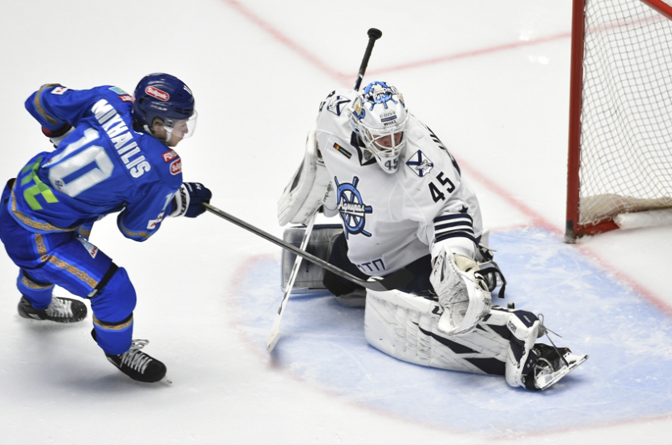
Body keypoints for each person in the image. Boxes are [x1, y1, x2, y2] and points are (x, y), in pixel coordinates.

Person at [278, 81, 586, 391]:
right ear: (359, 127)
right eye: (381, 138)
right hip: (373, 242)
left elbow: (452, 212)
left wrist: (456, 261)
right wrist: (321, 183)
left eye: (397, 134)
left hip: (417, 251)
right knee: (338, 284)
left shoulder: (421, 166)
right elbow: (322, 139)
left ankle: (520, 339)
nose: (392, 145)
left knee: (430, 305)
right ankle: (374, 278)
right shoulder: (335, 115)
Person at [0, 74, 212, 383]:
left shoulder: (109, 98)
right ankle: (118, 350)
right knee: (115, 290)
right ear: (155, 122)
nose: (183, 130)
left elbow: (39, 100)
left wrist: (60, 136)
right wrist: (176, 201)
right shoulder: (163, 168)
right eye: (177, 122)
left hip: (18, 198)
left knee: (49, 264)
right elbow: (135, 229)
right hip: (41, 237)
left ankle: (34, 305)